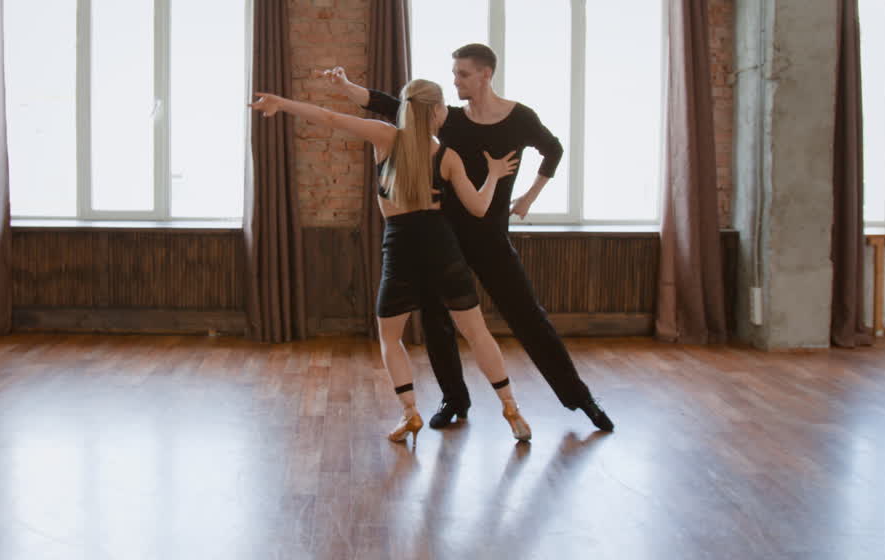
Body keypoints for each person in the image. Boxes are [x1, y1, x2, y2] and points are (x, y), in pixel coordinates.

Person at [326, 44, 615, 433]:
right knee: (436, 321)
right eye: (455, 73)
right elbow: (393, 105)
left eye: (462, 73)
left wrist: (528, 197)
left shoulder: (520, 118)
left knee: (529, 318)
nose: (455, 80)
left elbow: (554, 149)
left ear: (485, 74)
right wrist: (347, 87)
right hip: (443, 239)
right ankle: (454, 400)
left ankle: (580, 398)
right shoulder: (451, 121)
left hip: (491, 239)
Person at [251, 78, 533, 444]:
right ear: (436, 112)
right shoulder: (447, 157)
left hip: (401, 249)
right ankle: (511, 408)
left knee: (390, 338)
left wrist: (282, 102)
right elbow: (479, 208)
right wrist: (493, 175)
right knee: (477, 333)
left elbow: (329, 118)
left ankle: (410, 413)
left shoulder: (384, 138)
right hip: (441, 247)